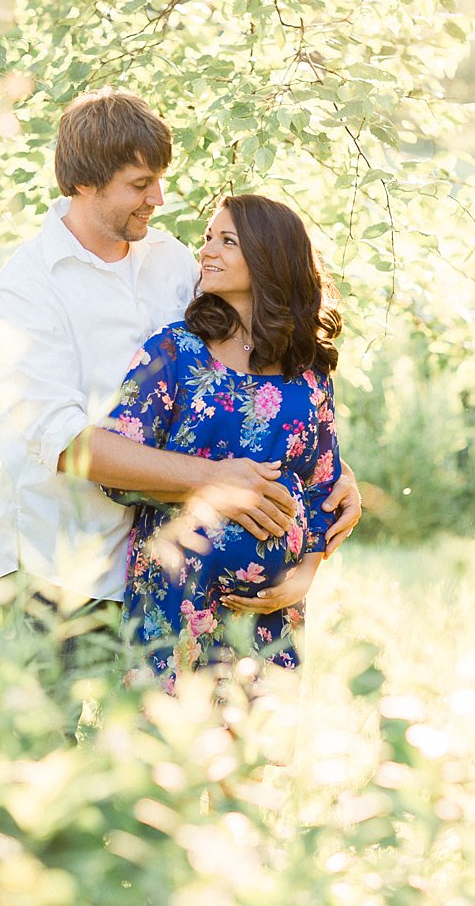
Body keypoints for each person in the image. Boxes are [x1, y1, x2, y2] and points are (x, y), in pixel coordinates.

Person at [0, 89, 361, 662]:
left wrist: (326, 468)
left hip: (163, 573)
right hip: (57, 567)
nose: (158, 198)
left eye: (158, 180)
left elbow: (242, 383)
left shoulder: (172, 261)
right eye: (140, 184)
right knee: (42, 746)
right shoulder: (27, 286)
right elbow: (64, 445)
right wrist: (216, 479)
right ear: (86, 181)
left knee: (147, 748)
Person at [100, 194, 342, 690]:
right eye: (209, 237)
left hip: (269, 621)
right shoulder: (174, 352)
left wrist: (303, 576)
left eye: (227, 241)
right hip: (174, 602)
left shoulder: (309, 372)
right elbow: (115, 470)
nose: (207, 250)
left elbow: (323, 488)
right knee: (169, 756)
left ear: (269, 257)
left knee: (246, 759)